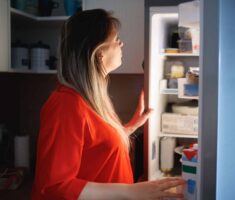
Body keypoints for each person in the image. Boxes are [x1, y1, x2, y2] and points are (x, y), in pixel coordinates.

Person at [31, 8, 185, 200]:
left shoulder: (92, 99)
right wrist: (131, 192)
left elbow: (96, 147)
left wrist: (129, 127)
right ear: (99, 53)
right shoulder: (65, 105)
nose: (121, 43)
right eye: (115, 39)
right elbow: (56, 185)